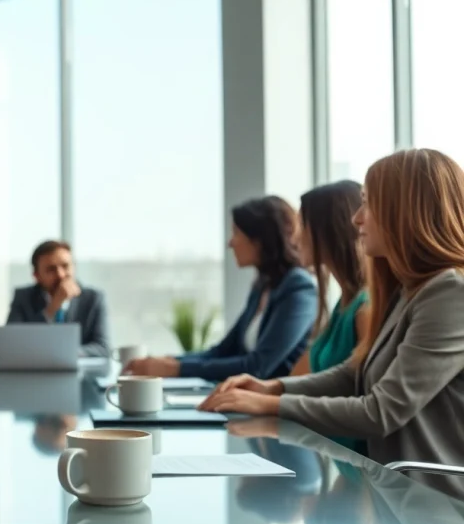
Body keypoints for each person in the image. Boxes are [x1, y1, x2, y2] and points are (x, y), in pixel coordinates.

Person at [200, 149, 464, 498]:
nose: (357, 218)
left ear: (405, 211)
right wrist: (272, 388)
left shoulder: (450, 293)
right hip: (398, 501)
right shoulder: (407, 292)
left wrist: (271, 405)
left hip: (436, 509)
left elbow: (380, 412)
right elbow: (354, 374)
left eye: (368, 204)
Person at [127, 196, 317, 380]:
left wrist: (177, 369)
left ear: (259, 240)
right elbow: (222, 351)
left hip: (269, 400)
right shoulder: (263, 286)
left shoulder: (299, 288)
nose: (230, 243)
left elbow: (258, 366)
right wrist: (168, 362)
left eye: (237, 233)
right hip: (242, 396)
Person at [289, 180, 369, 377]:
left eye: (302, 225)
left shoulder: (365, 309)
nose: (294, 239)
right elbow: (296, 376)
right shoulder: (344, 303)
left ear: (328, 231)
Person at [6, 240, 110, 358]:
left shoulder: (93, 299)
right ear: (37, 276)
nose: (60, 274)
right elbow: (10, 343)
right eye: (51, 269)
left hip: (79, 369)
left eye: (65, 266)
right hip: (35, 369)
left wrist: (65, 353)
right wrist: (52, 307)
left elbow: (102, 348)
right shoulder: (23, 298)